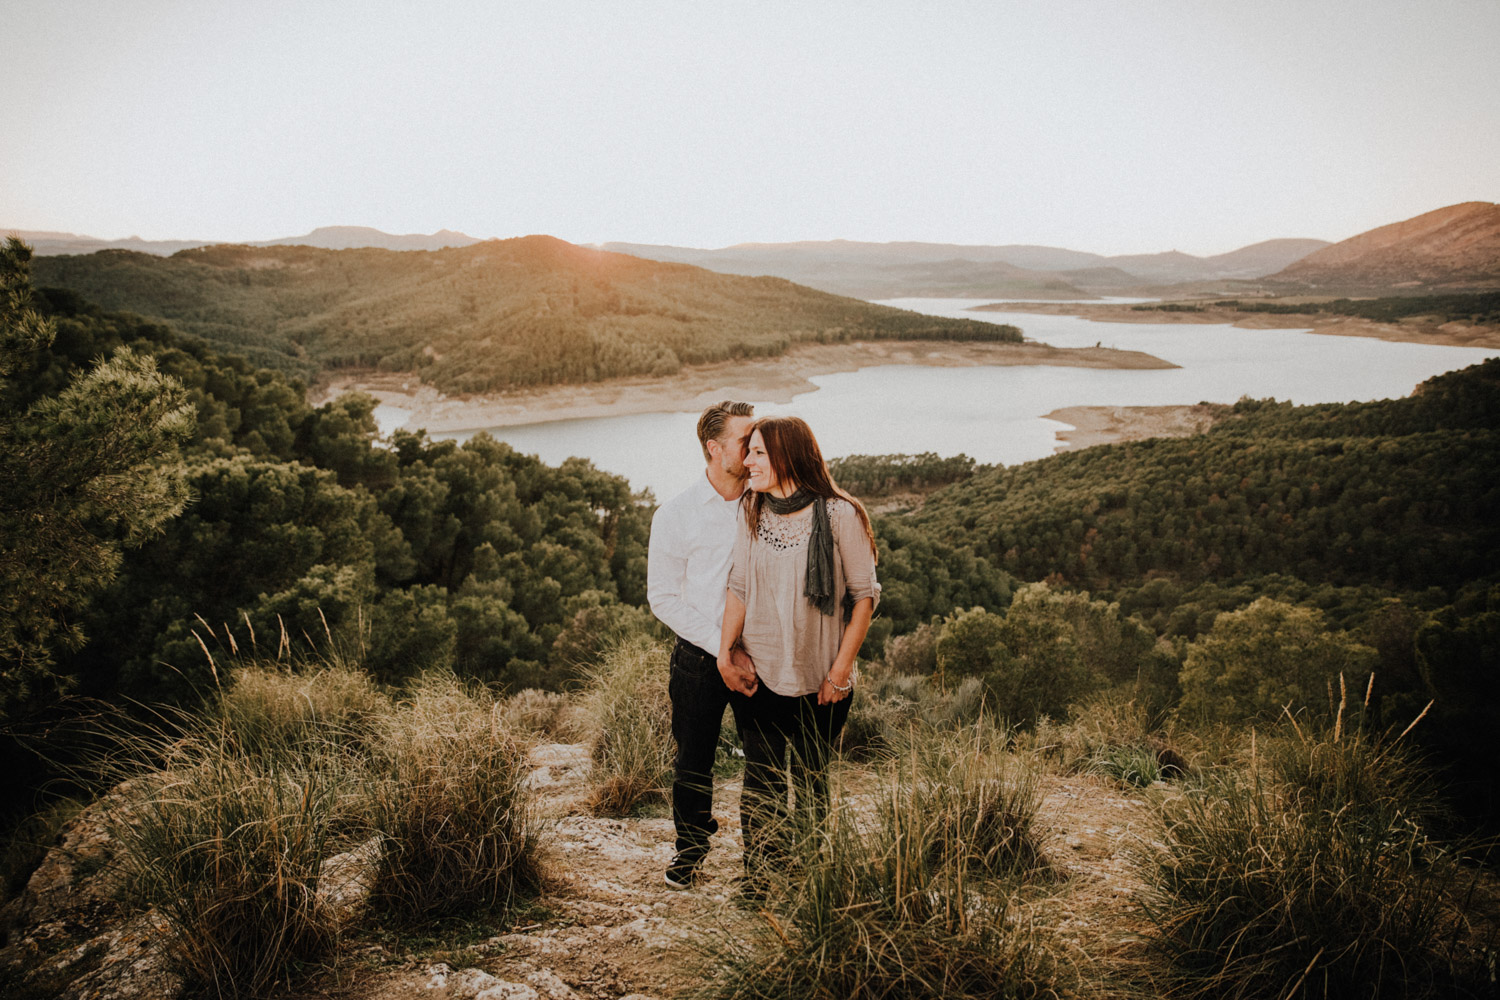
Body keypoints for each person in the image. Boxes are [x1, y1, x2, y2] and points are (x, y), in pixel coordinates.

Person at [717, 416, 878, 893]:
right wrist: (726, 654)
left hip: (821, 680)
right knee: (761, 780)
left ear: (788, 456)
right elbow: (739, 586)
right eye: (748, 451)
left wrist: (840, 672)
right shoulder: (751, 508)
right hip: (761, 674)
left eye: (759, 453)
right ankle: (761, 878)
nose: (747, 461)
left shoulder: (841, 514)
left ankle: (809, 881)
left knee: (810, 781)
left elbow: (864, 598)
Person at [647, 400, 760, 889]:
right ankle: (690, 850)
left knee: (766, 760)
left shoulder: (769, 501)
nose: (755, 449)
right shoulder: (676, 514)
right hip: (698, 659)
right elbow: (662, 598)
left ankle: (765, 861)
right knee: (693, 759)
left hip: (763, 657)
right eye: (745, 440)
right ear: (715, 448)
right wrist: (722, 647)